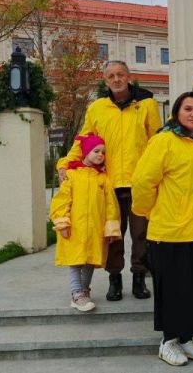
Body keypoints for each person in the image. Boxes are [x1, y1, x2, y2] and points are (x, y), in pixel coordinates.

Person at [57, 60, 159, 302]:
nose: (116, 79)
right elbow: (84, 140)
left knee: (141, 234)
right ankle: (115, 280)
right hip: (107, 184)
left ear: (129, 77)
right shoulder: (97, 108)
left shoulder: (146, 105)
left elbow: (157, 141)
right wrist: (64, 163)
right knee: (113, 235)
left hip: (139, 182)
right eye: (111, 76)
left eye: (121, 75)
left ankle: (138, 278)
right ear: (105, 80)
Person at [132, 92, 193, 366]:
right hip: (170, 231)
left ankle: (189, 337)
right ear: (176, 113)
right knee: (173, 289)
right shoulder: (164, 141)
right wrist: (148, 211)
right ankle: (168, 341)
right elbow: (143, 182)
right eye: (188, 109)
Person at [50, 133, 121, 312]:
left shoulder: (103, 178)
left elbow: (111, 205)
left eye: (103, 152)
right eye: (96, 151)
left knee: (90, 261)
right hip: (76, 229)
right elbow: (61, 202)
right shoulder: (72, 176)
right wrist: (63, 224)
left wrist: (111, 230)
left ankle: (84, 291)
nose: (100, 155)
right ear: (85, 152)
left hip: (95, 229)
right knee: (75, 262)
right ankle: (76, 293)